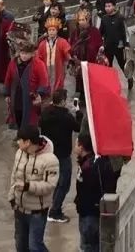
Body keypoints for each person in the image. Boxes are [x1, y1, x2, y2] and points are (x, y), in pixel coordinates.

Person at [9, 125, 59, 252]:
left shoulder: (50, 160)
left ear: (28, 142)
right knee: (21, 245)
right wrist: (11, 197)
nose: (17, 142)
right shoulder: (19, 153)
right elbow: (14, 175)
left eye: (20, 140)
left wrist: (28, 186)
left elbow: (50, 185)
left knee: (35, 246)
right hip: (19, 209)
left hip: (37, 212)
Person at [38, 89, 79, 224]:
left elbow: (40, 125)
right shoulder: (67, 117)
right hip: (63, 155)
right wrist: (78, 112)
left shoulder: (45, 114)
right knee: (64, 184)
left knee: (53, 183)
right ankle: (55, 211)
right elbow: (78, 127)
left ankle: (51, 207)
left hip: (48, 153)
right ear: (62, 101)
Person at [74, 132, 119, 252]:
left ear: (81, 147)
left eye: (76, 143)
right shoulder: (98, 162)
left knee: (89, 245)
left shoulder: (90, 167)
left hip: (90, 212)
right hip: (94, 210)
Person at [5, 41, 50, 132]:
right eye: (22, 53)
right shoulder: (13, 63)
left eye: (27, 53)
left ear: (32, 54)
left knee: (31, 118)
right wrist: (7, 94)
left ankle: (30, 137)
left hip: (30, 97)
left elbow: (44, 80)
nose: (24, 56)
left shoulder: (38, 64)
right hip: (16, 96)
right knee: (17, 114)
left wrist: (39, 94)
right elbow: (8, 78)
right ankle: (20, 134)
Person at [98, 0, 133, 90]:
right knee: (108, 66)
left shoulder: (120, 18)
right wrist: (101, 44)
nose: (107, 8)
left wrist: (126, 44)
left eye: (109, 6)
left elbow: (125, 32)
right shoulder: (104, 18)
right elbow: (100, 33)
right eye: (106, 6)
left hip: (119, 47)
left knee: (123, 64)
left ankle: (129, 78)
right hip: (108, 46)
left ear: (114, 6)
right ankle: (110, 83)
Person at [36, 18, 72, 94]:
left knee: (58, 86)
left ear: (57, 31)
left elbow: (67, 53)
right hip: (45, 69)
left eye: (53, 30)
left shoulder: (62, 42)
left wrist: (70, 60)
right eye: (50, 30)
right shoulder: (42, 44)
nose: (51, 32)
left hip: (58, 69)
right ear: (47, 31)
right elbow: (38, 58)